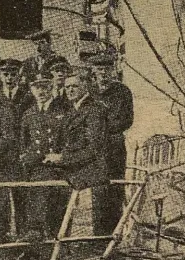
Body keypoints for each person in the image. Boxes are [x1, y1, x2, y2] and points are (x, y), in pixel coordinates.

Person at [43, 68, 109, 236]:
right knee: (41, 177)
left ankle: (59, 240)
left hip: (90, 167)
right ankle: (53, 239)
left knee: (52, 183)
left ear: (85, 87)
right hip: (74, 165)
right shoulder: (72, 110)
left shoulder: (94, 110)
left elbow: (94, 149)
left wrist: (63, 159)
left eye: (74, 86)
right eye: (67, 87)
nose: (70, 90)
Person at [19, 73, 70, 242]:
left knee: (59, 208)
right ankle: (35, 242)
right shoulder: (28, 114)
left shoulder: (62, 111)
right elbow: (24, 142)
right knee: (36, 201)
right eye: (37, 87)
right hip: (36, 167)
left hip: (58, 167)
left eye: (45, 87)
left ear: (52, 88)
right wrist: (28, 157)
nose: (41, 91)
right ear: (32, 90)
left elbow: (69, 140)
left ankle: (61, 245)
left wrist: (62, 158)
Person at [91, 53, 133, 235]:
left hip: (115, 147)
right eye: (100, 70)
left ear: (113, 70)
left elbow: (126, 120)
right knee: (98, 191)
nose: (104, 73)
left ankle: (115, 234)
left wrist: (102, 126)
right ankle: (99, 236)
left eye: (107, 69)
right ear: (93, 71)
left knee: (115, 190)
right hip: (96, 149)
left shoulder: (122, 92)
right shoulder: (90, 92)